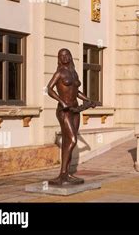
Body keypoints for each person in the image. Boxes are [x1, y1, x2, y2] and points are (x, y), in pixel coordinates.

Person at [47, 49, 100, 185]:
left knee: (67, 142)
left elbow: (76, 92)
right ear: (59, 58)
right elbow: (49, 89)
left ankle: (66, 174)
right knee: (72, 140)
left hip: (75, 110)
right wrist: (61, 101)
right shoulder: (59, 73)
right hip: (64, 110)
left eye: (66, 55)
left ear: (70, 57)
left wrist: (88, 100)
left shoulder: (74, 73)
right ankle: (63, 173)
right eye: (61, 56)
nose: (64, 57)